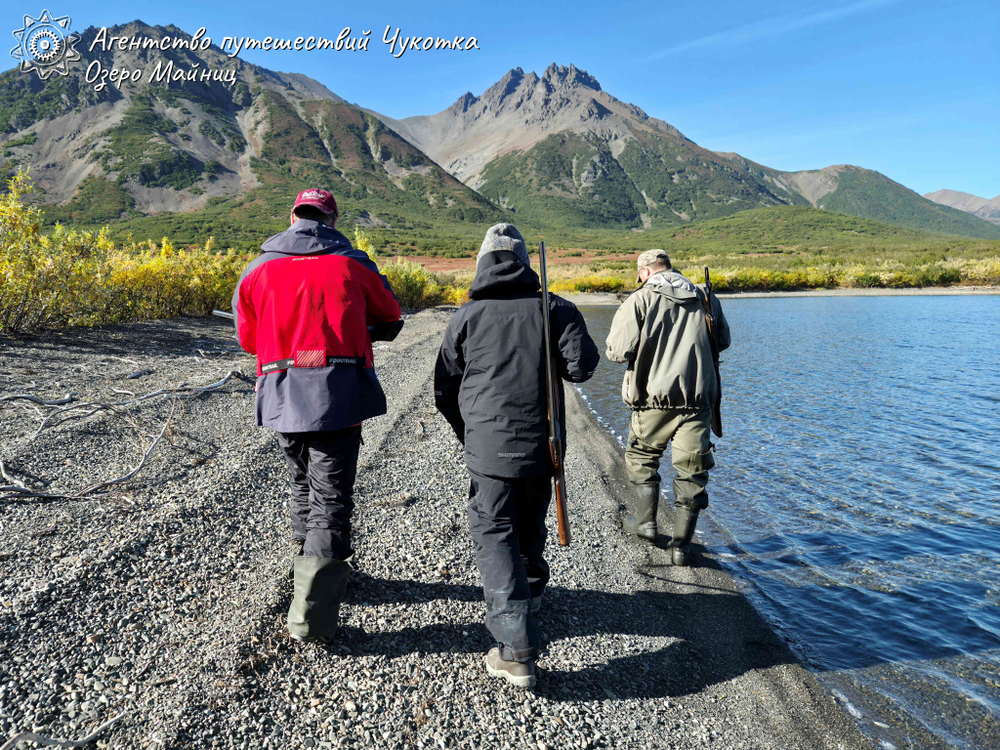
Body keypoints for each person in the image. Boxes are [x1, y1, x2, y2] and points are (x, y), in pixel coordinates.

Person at [232, 188, 401, 642]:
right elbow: (391, 313)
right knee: (331, 498)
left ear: (293, 216)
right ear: (332, 218)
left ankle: (308, 578)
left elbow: (248, 340)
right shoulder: (353, 262)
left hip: (281, 396)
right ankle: (312, 617)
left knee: (302, 485)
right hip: (337, 397)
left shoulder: (258, 268)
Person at [434, 223, 599, 688]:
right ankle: (531, 598)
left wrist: (470, 433)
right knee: (528, 521)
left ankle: (517, 651)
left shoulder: (466, 315)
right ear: (526, 261)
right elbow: (583, 369)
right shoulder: (556, 309)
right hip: (542, 446)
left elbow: (444, 387)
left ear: (483, 262)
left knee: (496, 536)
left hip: (487, 448)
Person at [605, 250, 730, 566]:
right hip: (700, 400)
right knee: (693, 469)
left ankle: (646, 525)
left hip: (653, 400)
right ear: (669, 268)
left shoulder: (639, 300)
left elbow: (617, 352)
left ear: (644, 273)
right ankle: (681, 548)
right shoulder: (705, 297)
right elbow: (724, 341)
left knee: (642, 457)